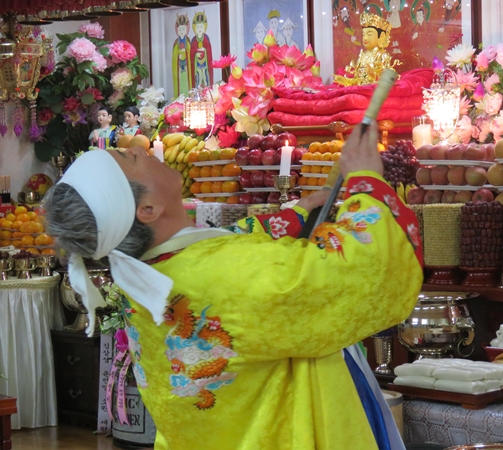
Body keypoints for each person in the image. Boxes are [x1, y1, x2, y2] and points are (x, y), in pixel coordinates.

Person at [43, 123, 423, 449]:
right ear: (147, 210)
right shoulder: (221, 274)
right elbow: (357, 273)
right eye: (133, 159)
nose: (143, 150)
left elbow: (229, 241)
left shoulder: (142, 271)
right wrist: (366, 182)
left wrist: (302, 209)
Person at [335, 11, 399, 86]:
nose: (365, 38)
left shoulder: (382, 55)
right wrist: (347, 81)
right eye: (363, 34)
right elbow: (358, 78)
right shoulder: (363, 55)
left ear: (381, 36)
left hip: (373, 90)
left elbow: (387, 79)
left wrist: (373, 74)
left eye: (369, 34)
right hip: (361, 89)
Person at [171, 14, 193, 97]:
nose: (182, 31)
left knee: (186, 83)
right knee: (180, 83)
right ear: (177, 30)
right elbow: (174, 56)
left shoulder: (188, 41)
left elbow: (190, 53)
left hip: (187, 67)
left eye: (183, 29)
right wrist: (178, 55)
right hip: (179, 67)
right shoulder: (176, 42)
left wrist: (185, 53)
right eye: (180, 29)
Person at [190, 11, 213, 88]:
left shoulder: (206, 38)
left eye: (201, 26)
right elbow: (191, 52)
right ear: (195, 28)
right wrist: (196, 54)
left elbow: (209, 51)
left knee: (206, 80)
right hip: (197, 66)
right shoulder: (193, 40)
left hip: (205, 65)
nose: (199, 29)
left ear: (204, 28)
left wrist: (205, 51)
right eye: (198, 27)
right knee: (198, 81)